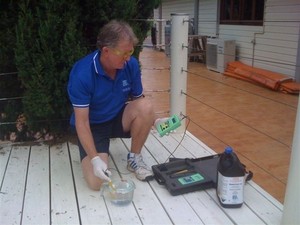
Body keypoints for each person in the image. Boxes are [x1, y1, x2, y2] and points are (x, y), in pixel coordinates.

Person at [67, 20, 156, 191]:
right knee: (96, 182)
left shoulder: (130, 64)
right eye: (123, 53)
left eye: (131, 51)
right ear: (106, 51)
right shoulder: (82, 74)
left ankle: (135, 158)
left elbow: (140, 100)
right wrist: (94, 159)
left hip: (117, 118)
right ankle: (94, 155)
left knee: (146, 106)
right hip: (93, 126)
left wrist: (156, 121)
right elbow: (82, 122)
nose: (128, 57)